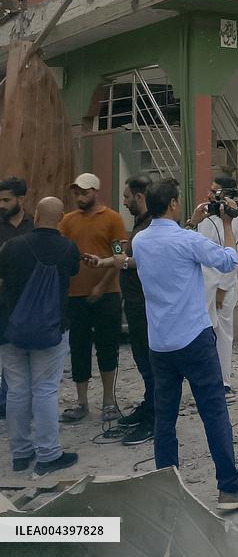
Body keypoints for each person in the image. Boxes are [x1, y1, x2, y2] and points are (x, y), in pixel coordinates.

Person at [132, 177, 238, 511]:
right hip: (194, 338)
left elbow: (168, 240)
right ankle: (229, 487)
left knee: (165, 418)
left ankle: (167, 488)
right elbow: (229, 261)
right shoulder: (188, 240)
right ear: (174, 204)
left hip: (160, 343)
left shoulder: (139, 242)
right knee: (214, 412)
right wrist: (229, 222)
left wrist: (191, 222)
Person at [0, 197, 80, 477]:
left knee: (17, 390)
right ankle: (48, 454)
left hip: (10, 329)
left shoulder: (11, 246)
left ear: (35, 217)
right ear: (59, 218)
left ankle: (21, 454)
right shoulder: (67, 248)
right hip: (50, 330)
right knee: (45, 389)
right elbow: (73, 272)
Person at [84, 175, 154, 446]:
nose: (123, 202)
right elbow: (126, 257)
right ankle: (149, 407)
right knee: (142, 361)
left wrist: (121, 262)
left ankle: (154, 419)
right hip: (136, 305)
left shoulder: (151, 227)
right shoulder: (139, 225)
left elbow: (140, 261)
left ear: (139, 196)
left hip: (146, 306)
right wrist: (106, 261)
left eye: (127, 197)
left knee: (150, 364)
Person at [59, 173, 127, 423]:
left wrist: (102, 285)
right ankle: (81, 401)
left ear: (95, 192)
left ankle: (108, 400)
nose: (80, 197)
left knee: (108, 346)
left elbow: (119, 256)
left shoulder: (113, 219)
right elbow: (61, 252)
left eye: (85, 192)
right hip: (75, 295)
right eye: (77, 192)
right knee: (78, 348)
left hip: (106, 294)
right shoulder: (67, 221)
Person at [195, 176, 238, 401]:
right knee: (204, 331)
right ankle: (205, 378)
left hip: (224, 286)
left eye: (216, 191)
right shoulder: (205, 217)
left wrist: (222, 289)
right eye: (210, 190)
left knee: (223, 332)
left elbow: (236, 258)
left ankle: (223, 381)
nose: (210, 195)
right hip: (203, 283)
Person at [0, 177, 34, 420]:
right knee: (9, 358)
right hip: (3, 303)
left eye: (6, 199)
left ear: (21, 199)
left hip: (29, 302)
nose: (1, 204)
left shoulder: (34, 225)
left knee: (29, 358)